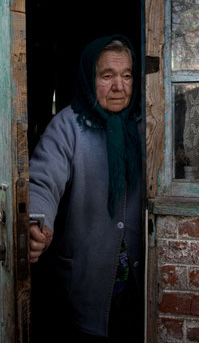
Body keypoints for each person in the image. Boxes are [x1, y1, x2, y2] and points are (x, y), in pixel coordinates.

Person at [28, 35, 143, 342]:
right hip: (86, 284)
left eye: (127, 75)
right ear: (89, 79)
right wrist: (37, 223)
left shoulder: (148, 124)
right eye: (107, 76)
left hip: (140, 285)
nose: (119, 86)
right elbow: (42, 179)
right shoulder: (68, 126)